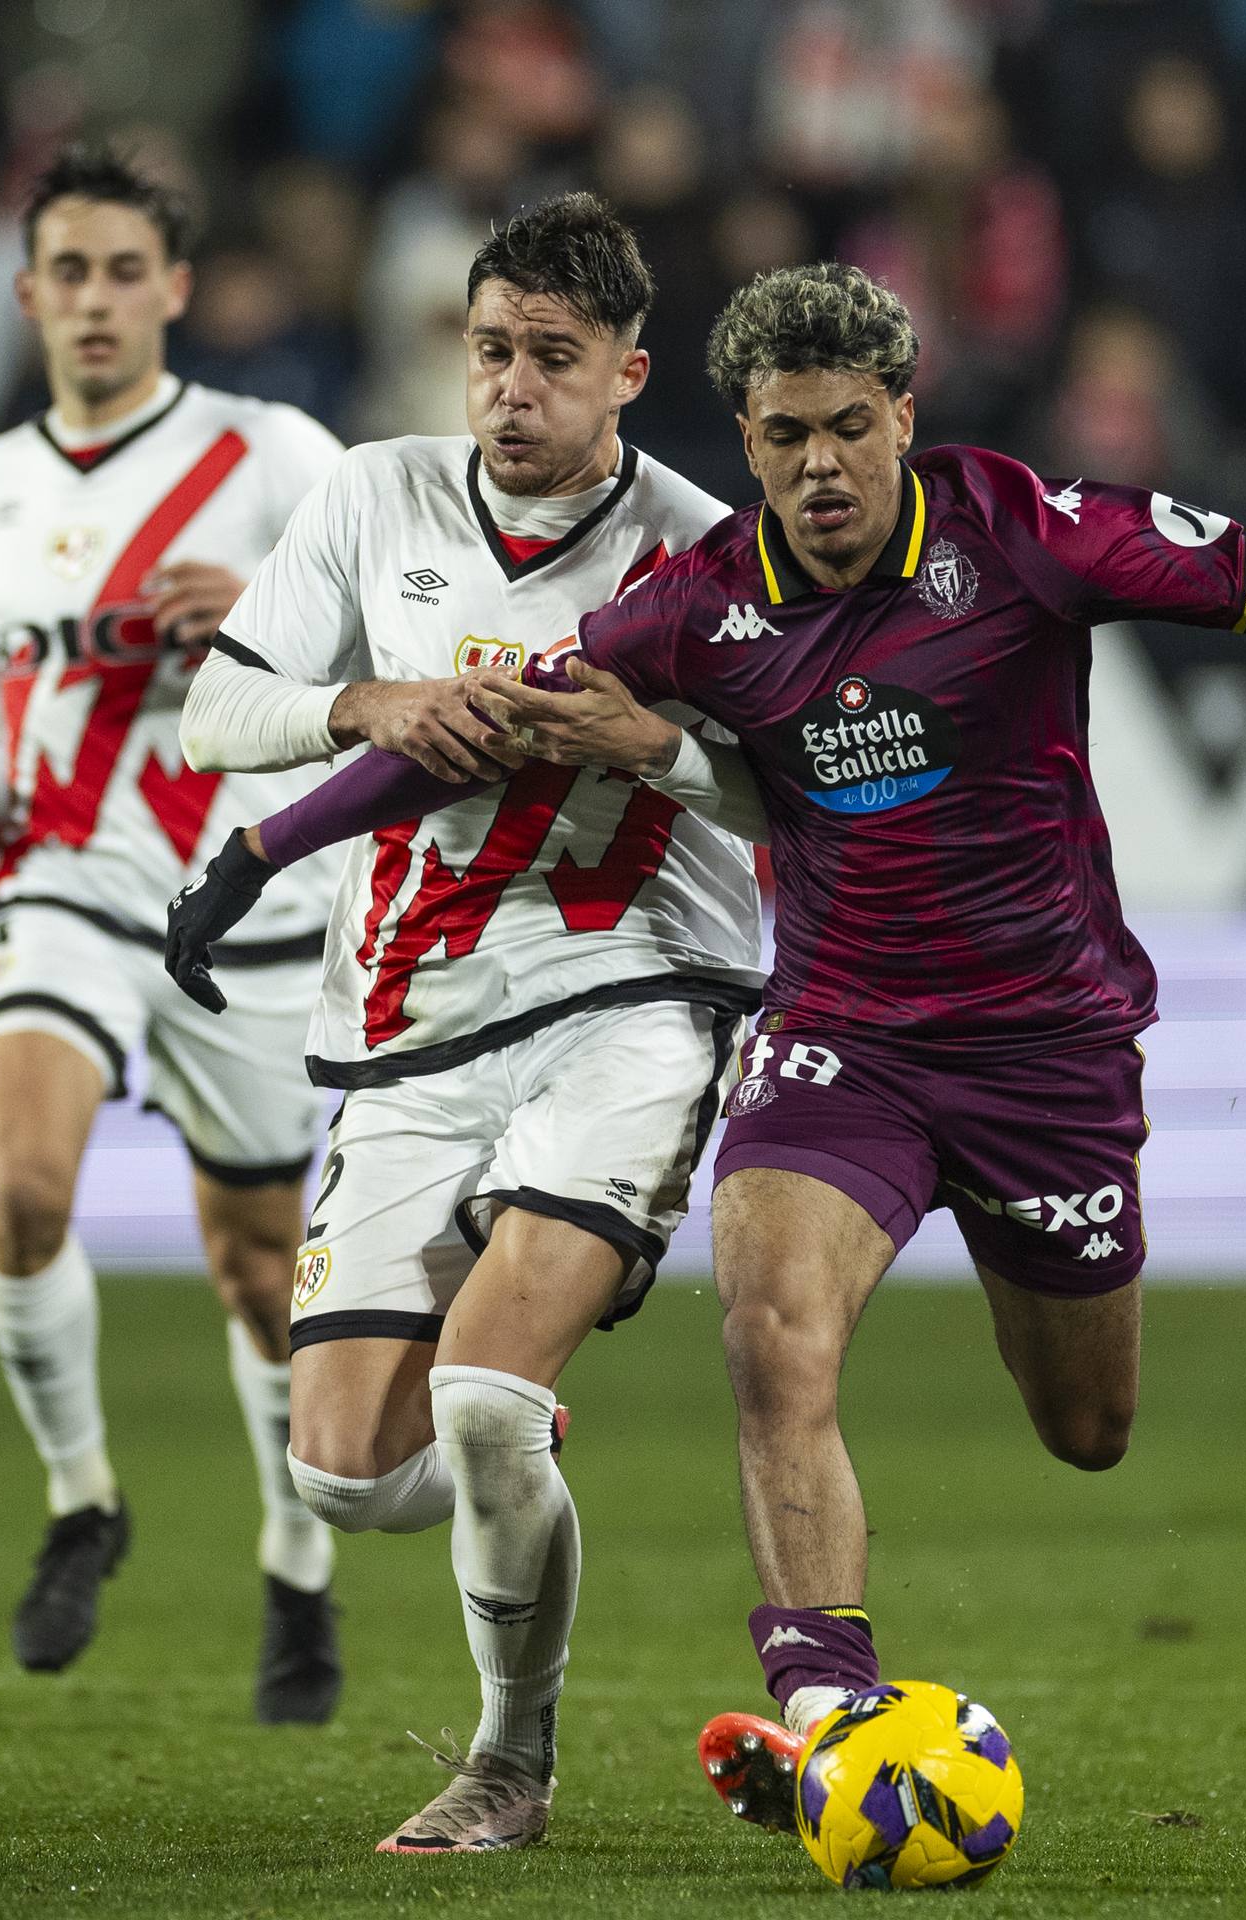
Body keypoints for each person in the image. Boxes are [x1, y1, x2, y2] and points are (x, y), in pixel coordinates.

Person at [164, 264, 1246, 1840]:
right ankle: (828, 1709)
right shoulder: (701, 599)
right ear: (744, 446)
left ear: (903, 416)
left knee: (1087, 1432)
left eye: (846, 428)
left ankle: (838, 1692)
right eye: (781, 438)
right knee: (770, 1324)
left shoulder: (1027, 528)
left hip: (1047, 1051)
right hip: (842, 1037)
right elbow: (492, 723)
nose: (818, 467)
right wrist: (261, 854)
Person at [169, 192, 760, 1854]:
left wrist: (648, 741)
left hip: (626, 996)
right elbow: (222, 709)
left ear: (627, 375)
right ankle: (524, 1490)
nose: (508, 386)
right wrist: (365, 700)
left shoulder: (706, 556)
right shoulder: (374, 495)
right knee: (350, 1473)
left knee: (488, 1399)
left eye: (550, 359)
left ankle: (511, 1765)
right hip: (406, 1021)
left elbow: (797, 804)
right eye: (490, 348)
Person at [0, 145, 354, 1712]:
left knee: (263, 1269)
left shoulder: (271, 453)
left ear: (176, 291)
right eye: (66, 272)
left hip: (245, 896)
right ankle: (84, 1499)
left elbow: (394, 621)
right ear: (25, 297)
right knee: (22, 1192)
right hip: (57, 875)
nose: (93, 300)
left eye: (123, 271)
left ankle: (296, 1563)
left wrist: (266, 607)